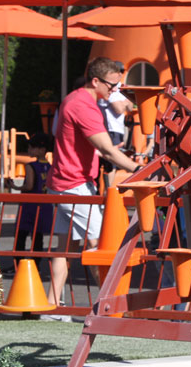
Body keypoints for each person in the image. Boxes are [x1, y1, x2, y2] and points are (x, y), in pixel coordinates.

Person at [49, 57, 139, 259]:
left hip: (66, 181)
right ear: (95, 81)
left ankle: (54, 293)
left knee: (66, 250)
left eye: (118, 85)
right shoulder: (84, 106)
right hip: (74, 183)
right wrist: (139, 170)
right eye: (112, 85)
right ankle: (107, 292)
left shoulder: (75, 99)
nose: (115, 89)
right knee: (102, 245)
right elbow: (107, 150)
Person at [14, 133, 67, 305]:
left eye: (32, 147)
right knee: (38, 236)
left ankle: (19, 263)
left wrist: (14, 186)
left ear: (41, 149)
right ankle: (35, 263)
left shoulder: (31, 166)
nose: (29, 150)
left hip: (30, 204)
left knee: (22, 234)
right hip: (45, 205)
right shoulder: (50, 166)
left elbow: (29, 185)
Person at [100, 83, 134, 187]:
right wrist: (126, 100)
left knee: (112, 163)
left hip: (118, 130)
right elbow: (118, 109)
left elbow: (130, 108)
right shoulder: (112, 88)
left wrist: (124, 101)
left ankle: (108, 190)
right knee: (110, 161)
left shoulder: (119, 87)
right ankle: (107, 190)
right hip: (111, 129)